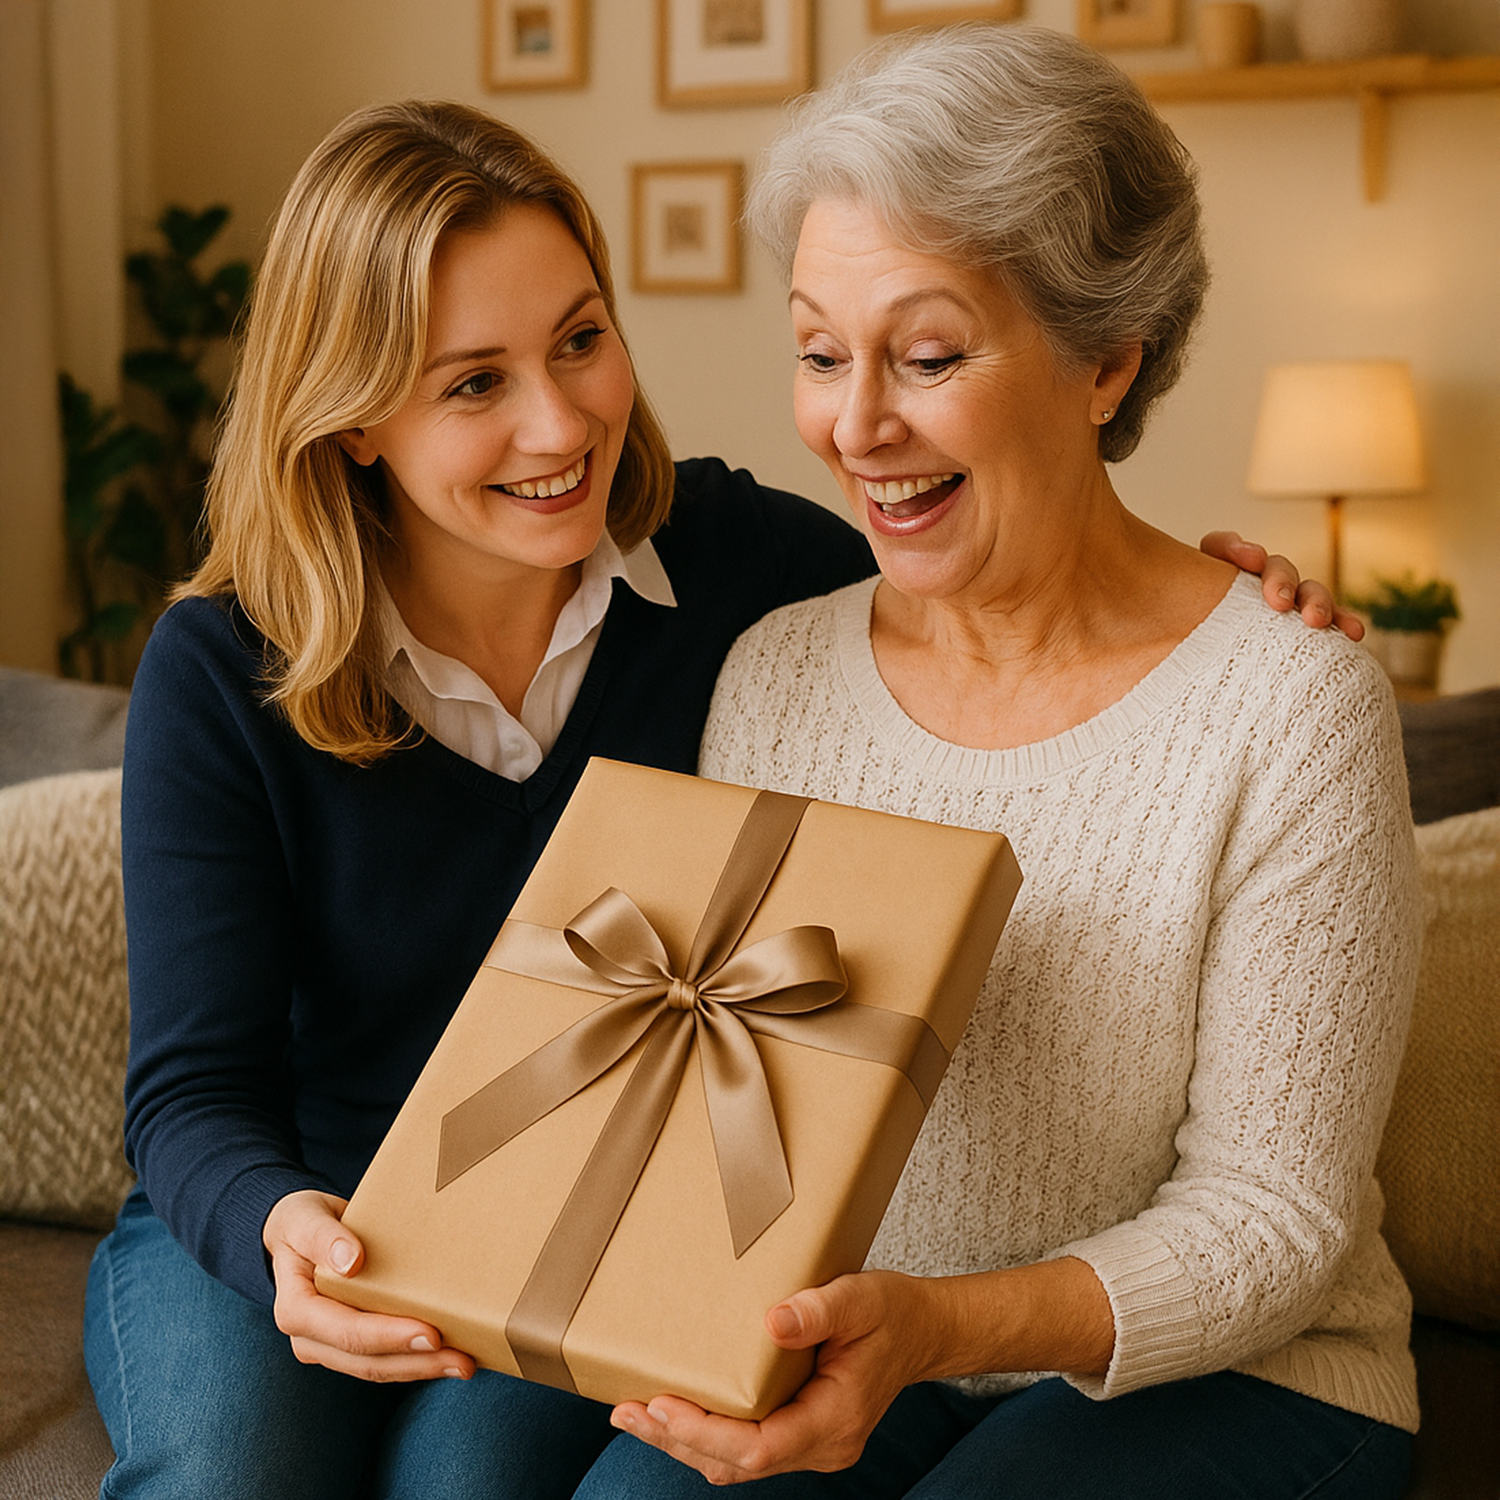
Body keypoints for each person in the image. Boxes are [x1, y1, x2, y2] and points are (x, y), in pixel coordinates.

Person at [83, 93, 1346, 1499]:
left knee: (475, 1478)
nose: (561, 423)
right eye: (472, 382)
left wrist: (1234, 605)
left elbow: (997, 565)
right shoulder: (229, 663)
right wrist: (280, 1235)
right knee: (226, 1471)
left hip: (583, 1217)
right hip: (298, 1188)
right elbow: (194, 1089)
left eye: (579, 340)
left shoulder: (745, 582)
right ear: (355, 418)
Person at [592, 24, 1422, 1500]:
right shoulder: (776, 676)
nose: (856, 428)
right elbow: (737, 1117)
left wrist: (937, 1327)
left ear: (1109, 357)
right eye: (818, 352)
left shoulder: (1294, 703)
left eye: (926, 355)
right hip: (872, 1346)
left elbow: (1275, 1223)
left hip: (1246, 1372)